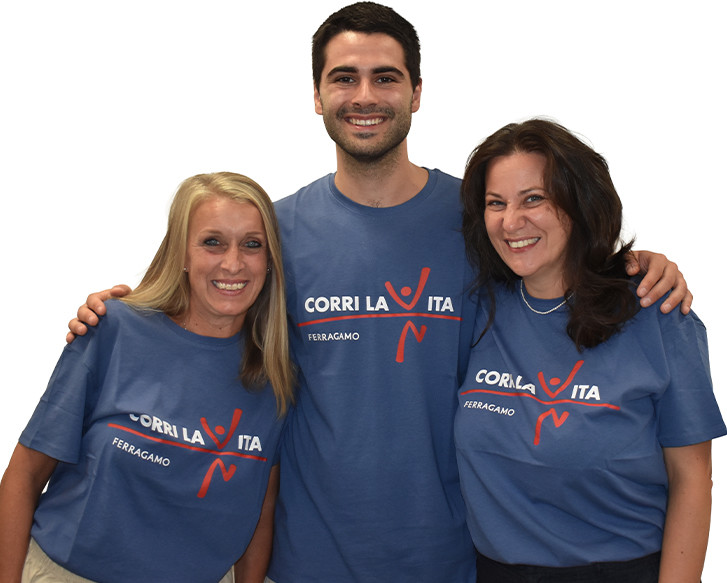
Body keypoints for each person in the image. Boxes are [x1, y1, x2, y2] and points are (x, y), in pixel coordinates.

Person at [65, 4, 693, 582]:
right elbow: (203, 326)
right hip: (305, 561)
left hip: (453, 561)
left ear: (416, 92)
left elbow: (554, 272)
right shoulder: (275, 235)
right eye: (344, 78)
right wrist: (123, 315)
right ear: (317, 95)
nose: (365, 95)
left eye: (385, 77)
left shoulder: (479, 221)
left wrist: (633, 265)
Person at [455, 119, 726, 582]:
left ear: (579, 203)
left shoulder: (656, 312)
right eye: (495, 203)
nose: (510, 221)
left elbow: (693, 480)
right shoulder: (478, 310)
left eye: (533, 199)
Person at [0, 172, 295, 583]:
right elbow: (25, 474)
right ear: (182, 253)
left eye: (252, 244)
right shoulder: (112, 329)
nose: (233, 263)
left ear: (270, 260)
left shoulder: (276, 376)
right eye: (212, 242)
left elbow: (260, 513)